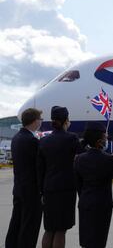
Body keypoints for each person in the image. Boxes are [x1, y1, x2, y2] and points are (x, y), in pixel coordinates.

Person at [37, 106, 82, 248]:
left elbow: (40, 169)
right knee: (61, 230)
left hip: (48, 189)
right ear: (66, 121)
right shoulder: (72, 138)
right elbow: (82, 157)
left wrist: (42, 191)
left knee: (49, 229)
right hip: (66, 190)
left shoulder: (43, 141)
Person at [74, 122, 113, 248]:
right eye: (105, 137)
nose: (107, 140)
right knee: (99, 240)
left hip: (85, 203)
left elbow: (78, 183)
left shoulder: (79, 158)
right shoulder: (108, 159)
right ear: (99, 141)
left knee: (86, 240)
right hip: (102, 205)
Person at [5, 108, 43, 248]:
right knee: (29, 226)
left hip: (19, 188)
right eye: (40, 118)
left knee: (16, 222)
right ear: (35, 121)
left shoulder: (17, 138)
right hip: (31, 191)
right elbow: (38, 166)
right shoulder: (32, 141)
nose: (41, 121)